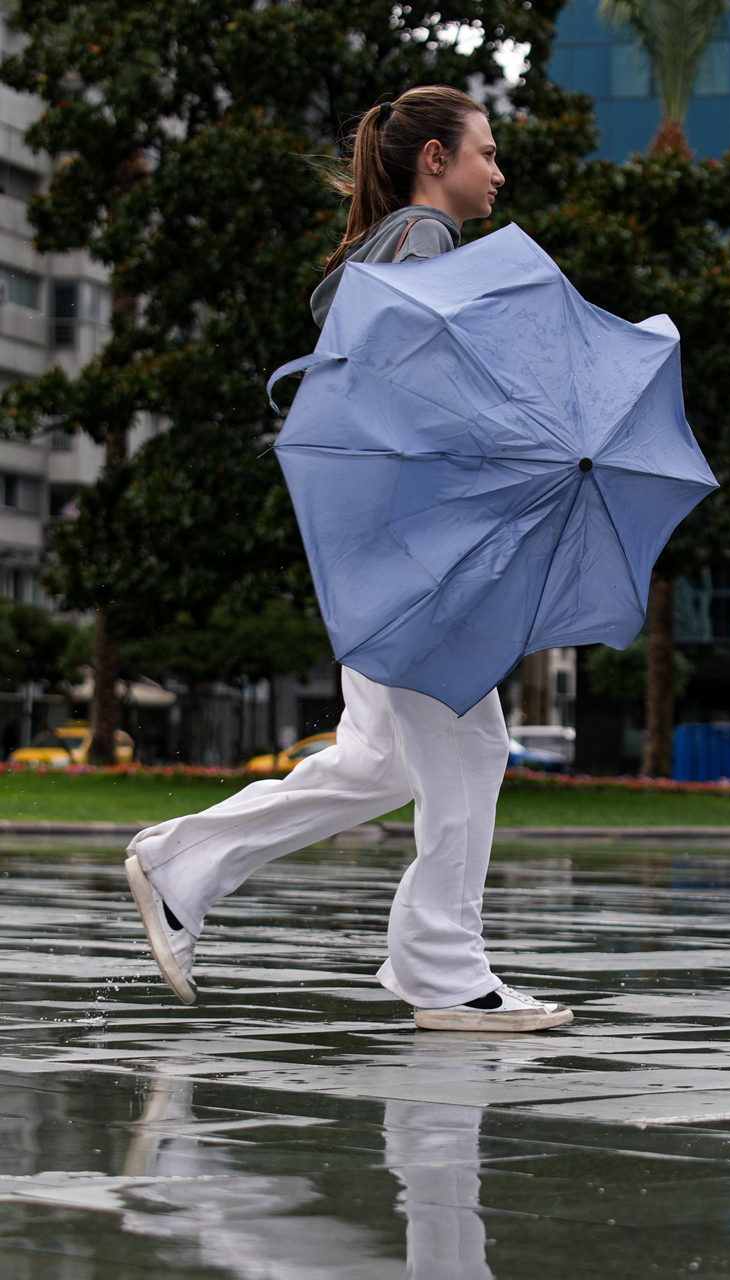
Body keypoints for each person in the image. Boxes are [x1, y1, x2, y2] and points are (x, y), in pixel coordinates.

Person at [123, 86, 572, 1034]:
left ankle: (180, 865)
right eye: (486, 152)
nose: (499, 171)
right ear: (435, 160)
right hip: (418, 548)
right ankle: (443, 970)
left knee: (378, 764)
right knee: (469, 746)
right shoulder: (425, 238)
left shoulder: (386, 246)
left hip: (379, 542)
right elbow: (412, 378)